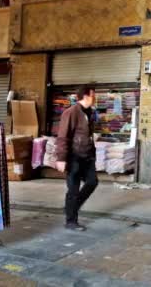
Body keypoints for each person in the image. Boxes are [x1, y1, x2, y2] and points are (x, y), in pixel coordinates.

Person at [56, 85, 99, 231]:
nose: (95, 98)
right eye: (93, 95)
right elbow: (63, 136)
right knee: (73, 189)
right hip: (74, 157)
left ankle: (71, 207)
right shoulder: (71, 112)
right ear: (86, 96)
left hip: (87, 156)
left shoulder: (90, 112)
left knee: (92, 182)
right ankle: (71, 221)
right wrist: (61, 158)